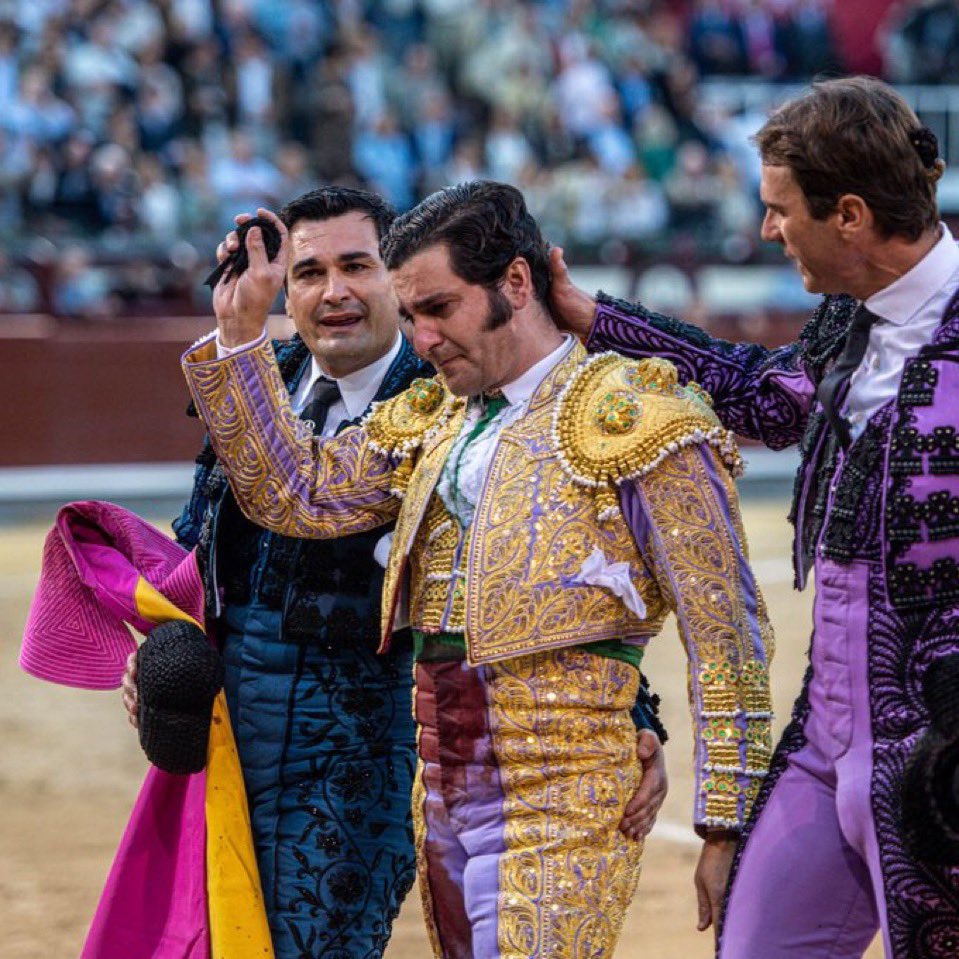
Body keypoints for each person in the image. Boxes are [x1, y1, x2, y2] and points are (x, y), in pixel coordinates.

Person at [178, 180, 773, 958]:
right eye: (412, 313)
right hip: (445, 788)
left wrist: (729, 824)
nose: (420, 338)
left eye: (439, 309)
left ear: (515, 284)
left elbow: (726, 631)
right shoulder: (433, 416)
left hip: (570, 789)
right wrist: (239, 336)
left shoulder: (639, 415)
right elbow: (297, 493)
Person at [549, 76, 959, 959]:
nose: (768, 229)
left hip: (945, 752)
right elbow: (758, 395)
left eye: (780, 210)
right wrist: (593, 318)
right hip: (827, 739)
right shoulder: (848, 325)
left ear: (847, 214)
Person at [124, 186, 431, 959]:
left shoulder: (435, 399)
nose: (334, 291)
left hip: (356, 749)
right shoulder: (273, 367)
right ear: (283, 289)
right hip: (228, 736)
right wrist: (160, 654)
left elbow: (520, 573)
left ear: (397, 275)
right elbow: (198, 537)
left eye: (357, 265)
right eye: (309, 272)